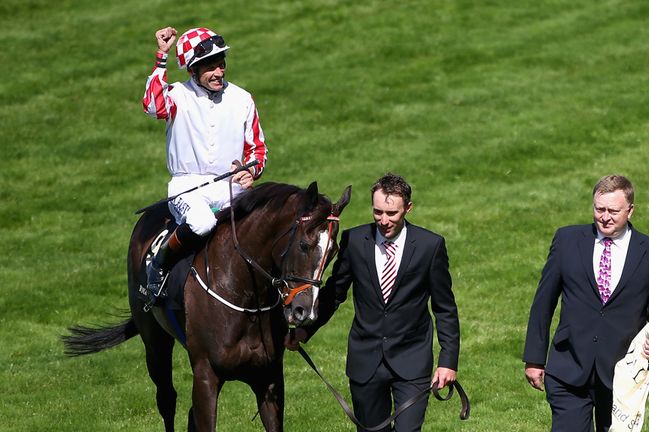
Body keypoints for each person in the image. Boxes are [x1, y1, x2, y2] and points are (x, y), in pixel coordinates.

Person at [286, 173, 461, 432]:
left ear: (408, 209)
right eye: (377, 212)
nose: (384, 220)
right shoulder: (355, 241)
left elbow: (445, 308)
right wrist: (304, 330)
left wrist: (448, 361)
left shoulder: (429, 246)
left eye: (391, 213)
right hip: (365, 363)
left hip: (411, 362)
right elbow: (335, 293)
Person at [522, 174, 649, 432]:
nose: (605, 217)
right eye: (599, 209)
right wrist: (534, 359)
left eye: (613, 211)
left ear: (630, 210)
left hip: (622, 375)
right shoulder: (567, 241)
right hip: (568, 368)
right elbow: (543, 302)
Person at [142, 26, 267, 301]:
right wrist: (161, 56)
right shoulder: (175, 95)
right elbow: (153, 106)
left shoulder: (243, 99)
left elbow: (258, 149)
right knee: (201, 223)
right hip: (187, 186)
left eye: (221, 64)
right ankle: (158, 266)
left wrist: (251, 170)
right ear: (192, 70)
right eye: (210, 67)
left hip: (230, 187)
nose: (219, 73)